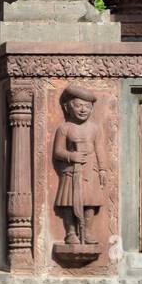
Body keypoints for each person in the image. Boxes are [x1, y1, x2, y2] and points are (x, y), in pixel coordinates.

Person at [52, 85, 106, 246]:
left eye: (87, 107)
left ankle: (87, 231)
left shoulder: (95, 129)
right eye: (78, 105)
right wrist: (71, 156)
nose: (83, 110)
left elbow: (100, 150)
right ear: (68, 107)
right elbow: (57, 151)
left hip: (90, 170)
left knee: (90, 201)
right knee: (69, 201)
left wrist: (102, 169)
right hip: (72, 170)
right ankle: (70, 232)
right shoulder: (64, 128)